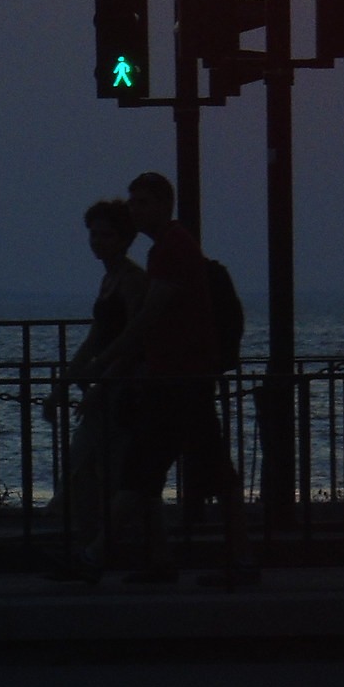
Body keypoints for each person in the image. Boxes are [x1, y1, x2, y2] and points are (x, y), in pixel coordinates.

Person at [86, 172, 250, 586]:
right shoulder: (170, 248)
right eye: (133, 201)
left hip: (179, 380)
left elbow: (147, 317)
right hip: (180, 378)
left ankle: (93, 559)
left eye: (142, 202)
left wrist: (105, 360)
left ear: (163, 205)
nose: (134, 210)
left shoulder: (172, 250)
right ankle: (225, 561)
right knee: (169, 472)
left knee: (143, 472)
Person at [45, 199, 148, 555]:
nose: (97, 241)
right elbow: (95, 337)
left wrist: (100, 387)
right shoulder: (110, 279)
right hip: (106, 389)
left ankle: (103, 551)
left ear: (124, 238)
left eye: (106, 235)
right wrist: (63, 384)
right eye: (93, 234)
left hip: (123, 394)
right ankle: (93, 549)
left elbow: (133, 342)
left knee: (112, 476)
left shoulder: (133, 282)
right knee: (88, 473)